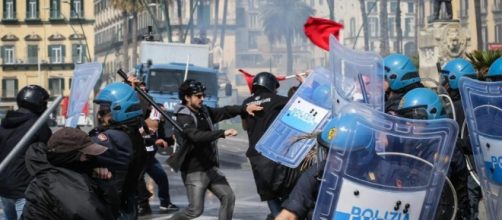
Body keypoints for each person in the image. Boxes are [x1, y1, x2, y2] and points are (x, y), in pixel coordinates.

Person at [167, 79, 262, 220]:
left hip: (210, 168)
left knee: (228, 196)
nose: (202, 99)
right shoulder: (183, 116)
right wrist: (222, 133)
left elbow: (224, 111)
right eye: (198, 96)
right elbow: (195, 136)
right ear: (187, 97)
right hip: (194, 170)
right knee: (195, 211)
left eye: (202, 95)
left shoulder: (203, 111)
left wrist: (244, 108)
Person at [276, 114, 375, 220]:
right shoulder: (318, 173)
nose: (328, 159)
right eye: (327, 151)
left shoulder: (382, 174)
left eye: (337, 153)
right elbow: (290, 213)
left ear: (359, 156)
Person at [395, 87, 470, 220]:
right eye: (404, 118)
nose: (406, 123)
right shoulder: (420, 143)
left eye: (410, 117)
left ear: (431, 114)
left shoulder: (443, 147)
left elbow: (432, 191)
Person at [21, 127, 113, 220]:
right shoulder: (54, 186)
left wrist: (103, 182)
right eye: (88, 156)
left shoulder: (76, 176)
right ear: (69, 158)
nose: (93, 159)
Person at [90, 82, 147, 219]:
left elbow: (84, 148)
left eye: (103, 111)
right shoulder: (132, 132)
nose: (99, 116)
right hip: (124, 203)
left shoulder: (117, 137)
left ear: (120, 109)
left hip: (116, 208)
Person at [241, 72, 292, 218]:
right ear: (270, 86)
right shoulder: (277, 100)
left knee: (269, 194)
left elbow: (245, 126)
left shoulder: (246, 103)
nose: (276, 91)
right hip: (272, 155)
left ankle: (277, 216)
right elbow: (299, 103)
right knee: (285, 192)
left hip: (255, 157)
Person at [0, 85, 52, 220]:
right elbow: (50, 152)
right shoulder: (37, 126)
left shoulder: (4, 124)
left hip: (4, 186)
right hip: (25, 188)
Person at [136, 106, 179, 215]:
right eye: (161, 113)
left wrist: (172, 140)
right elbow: (141, 138)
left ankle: (165, 203)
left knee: (162, 178)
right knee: (139, 180)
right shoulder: (141, 123)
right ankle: (142, 205)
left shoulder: (160, 126)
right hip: (140, 157)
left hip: (150, 158)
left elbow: (162, 141)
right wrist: (154, 141)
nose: (163, 117)